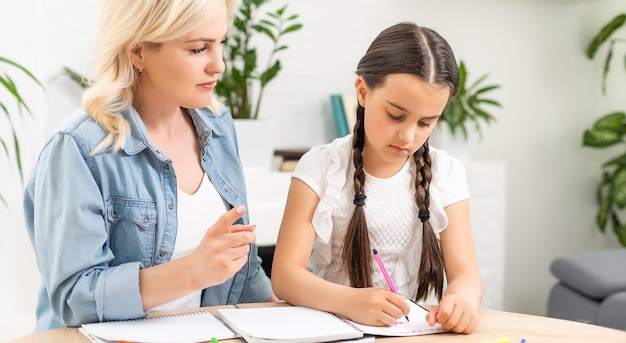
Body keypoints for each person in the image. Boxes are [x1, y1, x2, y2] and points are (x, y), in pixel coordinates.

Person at [23, 0, 277, 332]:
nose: (219, 65)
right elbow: (75, 299)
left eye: (221, 43)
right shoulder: (78, 148)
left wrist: (295, 323)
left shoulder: (218, 125)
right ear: (138, 51)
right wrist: (191, 272)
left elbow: (243, 271)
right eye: (199, 49)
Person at [271, 22, 482, 334]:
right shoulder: (319, 166)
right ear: (362, 91)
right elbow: (285, 275)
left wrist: (461, 300)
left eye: (426, 122)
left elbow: (465, 273)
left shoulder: (446, 173)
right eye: (396, 115)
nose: (408, 136)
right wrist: (351, 301)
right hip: (331, 330)